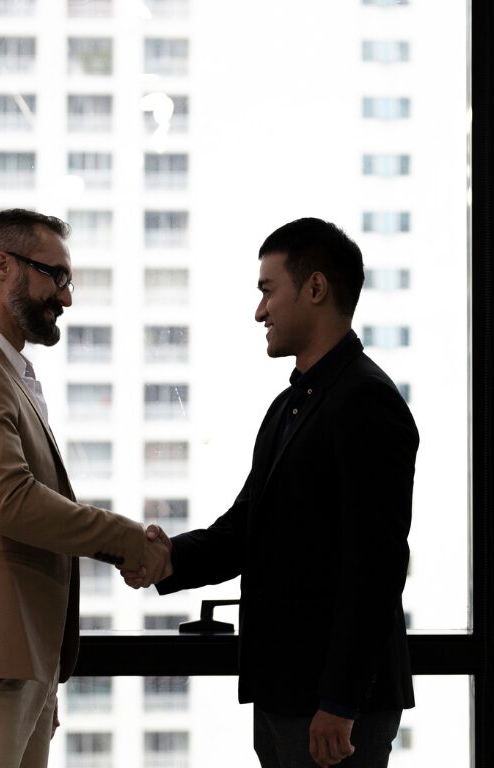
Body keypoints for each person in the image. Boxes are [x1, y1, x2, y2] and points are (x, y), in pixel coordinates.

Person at [123, 217, 418, 768]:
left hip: (332, 711)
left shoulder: (366, 402)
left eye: (267, 291)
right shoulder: (289, 407)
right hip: (286, 696)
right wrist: (167, 559)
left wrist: (340, 701)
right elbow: (244, 528)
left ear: (314, 288)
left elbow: (374, 567)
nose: (260, 312)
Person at [0, 208, 172, 767]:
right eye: (54, 275)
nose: (66, 296)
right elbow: (9, 502)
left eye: (68, 280)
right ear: (1, 266)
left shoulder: (7, 374)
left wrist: (42, 673)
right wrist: (130, 541)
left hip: (17, 662)